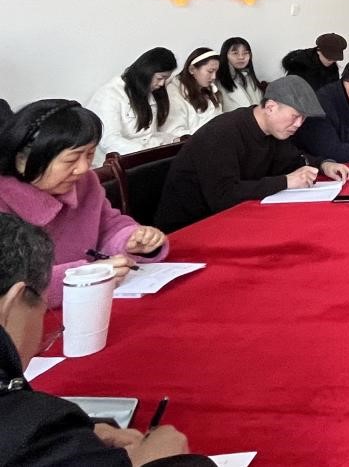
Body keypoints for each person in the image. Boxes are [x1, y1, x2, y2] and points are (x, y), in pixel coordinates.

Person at [0, 213, 209, 465]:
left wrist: (74, 438)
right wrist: (165, 461)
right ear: (13, 304)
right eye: (43, 309)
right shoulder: (30, 431)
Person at [0, 100, 169, 307]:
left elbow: (108, 225)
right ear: (22, 160)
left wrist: (131, 240)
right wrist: (85, 276)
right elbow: (8, 289)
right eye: (71, 160)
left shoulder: (85, 182)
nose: (83, 168)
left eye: (89, 155)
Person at [154, 76, 349, 233]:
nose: (299, 124)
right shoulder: (222, 133)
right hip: (190, 230)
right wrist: (285, 181)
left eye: (303, 118)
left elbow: (294, 160)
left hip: (234, 219)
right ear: (270, 107)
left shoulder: (274, 131)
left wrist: (324, 165)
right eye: (295, 116)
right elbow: (223, 196)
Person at [87, 47, 177, 162]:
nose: (162, 84)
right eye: (160, 78)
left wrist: (172, 140)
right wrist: (146, 152)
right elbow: (109, 141)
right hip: (115, 163)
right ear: (146, 71)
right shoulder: (110, 95)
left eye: (166, 79)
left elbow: (147, 136)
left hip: (141, 158)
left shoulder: (147, 93)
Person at [163, 48, 222, 140]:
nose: (214, 77)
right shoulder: (174, 93)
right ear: (192, 69)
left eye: (216, 72)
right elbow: (174, 133)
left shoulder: (209, 89)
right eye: (210, 71)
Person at [281, 33, 346, 92]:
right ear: (318, 51)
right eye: (329, 58)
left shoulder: (333, 69)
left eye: (335, 60)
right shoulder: (300, 66)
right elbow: (289, 92)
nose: (332, 62)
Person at [216, 36, 264, 112]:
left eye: (245, 53)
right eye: (235, 53)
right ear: (225, 55)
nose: (241, 57)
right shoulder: (217, 82)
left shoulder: (249, 78)